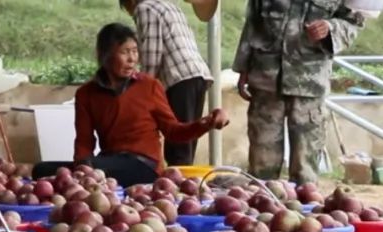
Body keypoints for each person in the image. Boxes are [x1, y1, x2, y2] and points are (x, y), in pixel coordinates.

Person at [72, 23, 229, 188]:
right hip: (109, 163)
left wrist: (206, 123)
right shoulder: (86, 94)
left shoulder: (149, 86)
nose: (132, 59)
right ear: (105, 55)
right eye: (124, 52)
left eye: (134, 51)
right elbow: (84, 141)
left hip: (144, 165)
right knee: (47, 169)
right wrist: (82, 168)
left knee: (95, 168)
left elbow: (174, 131)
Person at [233, 0, 364, 185]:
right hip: (266, 79)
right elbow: (252, 24)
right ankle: (262, 204)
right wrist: (243, 67)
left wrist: (330, 28)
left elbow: (353, 22)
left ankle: (304, 207)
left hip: (309, 82)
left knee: (305, 166)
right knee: (262, 160)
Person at [120, 0, 213, 166]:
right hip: (197, 75)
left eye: (128, 9)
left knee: (178, 148)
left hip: (180, 78)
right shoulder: (168, 5)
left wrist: (141, 93)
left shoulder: (145, 8)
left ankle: (178, 188)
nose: (132, 14)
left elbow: (151, 54)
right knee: (186, 142)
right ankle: (183, 185)